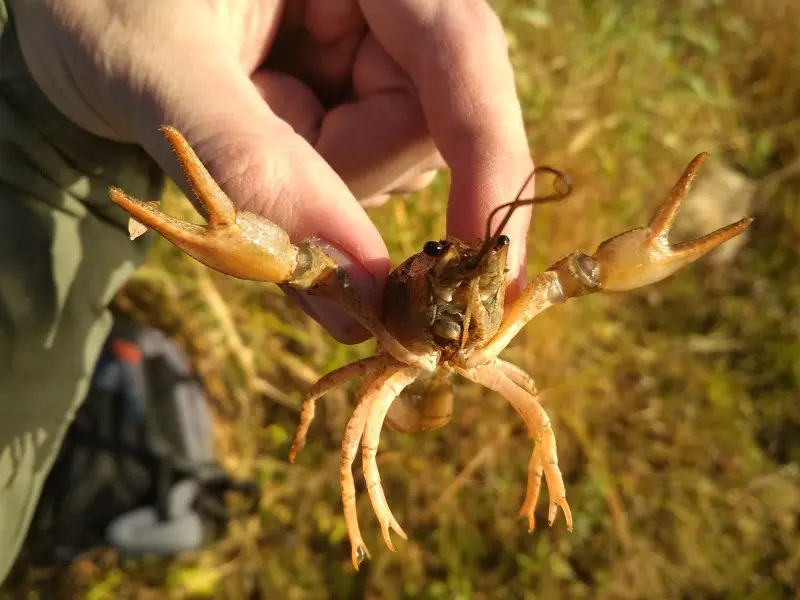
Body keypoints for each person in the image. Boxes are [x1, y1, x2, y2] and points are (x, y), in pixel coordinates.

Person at [0, 0, 536, 584]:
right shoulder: (380, 301)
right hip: (395, 378)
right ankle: (367, 517)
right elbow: (339, 406)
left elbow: (543, 364)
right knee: (364, 440)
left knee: (529, 411)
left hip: (52, 132)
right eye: (435, 255)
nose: (454, 269)